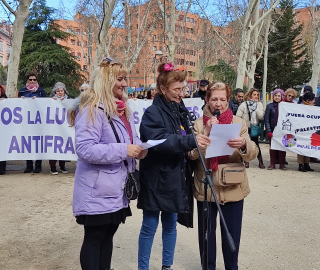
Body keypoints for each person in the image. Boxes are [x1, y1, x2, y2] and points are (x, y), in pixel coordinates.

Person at [70, 58, 146, 270]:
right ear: (106, 81)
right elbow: (85, 149)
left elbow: (130, 139)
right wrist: (124, 150)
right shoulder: (92, 109)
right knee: (95, 238)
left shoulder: (123, 108)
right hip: (97, 191)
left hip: (115, 188)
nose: (124, 84)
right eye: (120, 79)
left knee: (108, 235)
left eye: (125, 79)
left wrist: (140, 148)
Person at [137, 62, 208, 270]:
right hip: (156, 178)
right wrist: (189, 141)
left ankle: (167, 265)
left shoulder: (179, 109)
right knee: (149, 226)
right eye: (177, 89)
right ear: (163, 89)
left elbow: (185, 135)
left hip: (175, 176)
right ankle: (143, 267)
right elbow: (160, 141)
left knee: (170, 225)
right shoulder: (152, 113)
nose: (181, 93)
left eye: (183, 89)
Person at [188, 81, 257, 270]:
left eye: (222, 99)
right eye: (214, 99)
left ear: (228, 101)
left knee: (232, 235)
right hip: (207, 188)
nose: (218, 103)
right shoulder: (199, 123)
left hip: (233, 187)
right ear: (207, 100)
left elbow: (253, 153)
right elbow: (191, 155)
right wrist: (204, 139)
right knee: (207, 236)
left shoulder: (238, 122)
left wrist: (243, 144)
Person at [18, 72, 47, 173]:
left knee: (38, 143)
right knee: (27, 143)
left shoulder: (41, 91)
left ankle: (38, 165)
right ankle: (29, 165)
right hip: (26, 121)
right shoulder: (22, 91)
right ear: (27, 80)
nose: (32, 81)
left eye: (34, 79)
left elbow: (46, 105)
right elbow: (17, 106)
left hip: (38, 121)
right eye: (30, 80)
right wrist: (20, 100)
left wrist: (38, 100)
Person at [236, 88, 265, 168]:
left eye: (257, 95)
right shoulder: (244, 104)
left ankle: (260, 161)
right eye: (254, 94)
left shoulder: (259, 104)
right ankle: (246, 161)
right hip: (245, 127)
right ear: (250, 95)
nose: (256, 96)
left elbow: (261, 117)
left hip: (254, 126)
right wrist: (241, 126)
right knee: (245, 144)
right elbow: (238, 116)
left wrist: (256, 109)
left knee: (256, 144)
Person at [49, 82, 70, 175]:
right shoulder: (51, 101)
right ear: (55, 92)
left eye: (61, 90)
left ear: (64, 91)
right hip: (54, 128)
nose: (60, 92)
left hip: (64, 128)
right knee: (53, 147)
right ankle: (53, 167)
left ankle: (62, 165)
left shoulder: (69, 100)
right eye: (58, 91)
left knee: (63, 146)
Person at [265, 89, 287, 170]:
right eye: (275, 95)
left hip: (282, 130)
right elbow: (266, 119)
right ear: (273, 96)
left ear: (281, 96)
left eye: (279, 96)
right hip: (273, 130)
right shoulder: (269, 106)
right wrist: (268, 131)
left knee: (282, 147)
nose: (277, 97)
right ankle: (272, 163)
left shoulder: (285, 106)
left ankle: (282, 163)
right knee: (273, 148)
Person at [298, 92, 316, 172]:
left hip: (309, 131)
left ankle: (306, 164)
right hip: (301, 131)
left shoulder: (312, 108)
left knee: (308, 147)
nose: (314, 101)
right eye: (313, 100)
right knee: (301, 148)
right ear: (308, 100)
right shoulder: (301, 107)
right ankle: (301, 164)